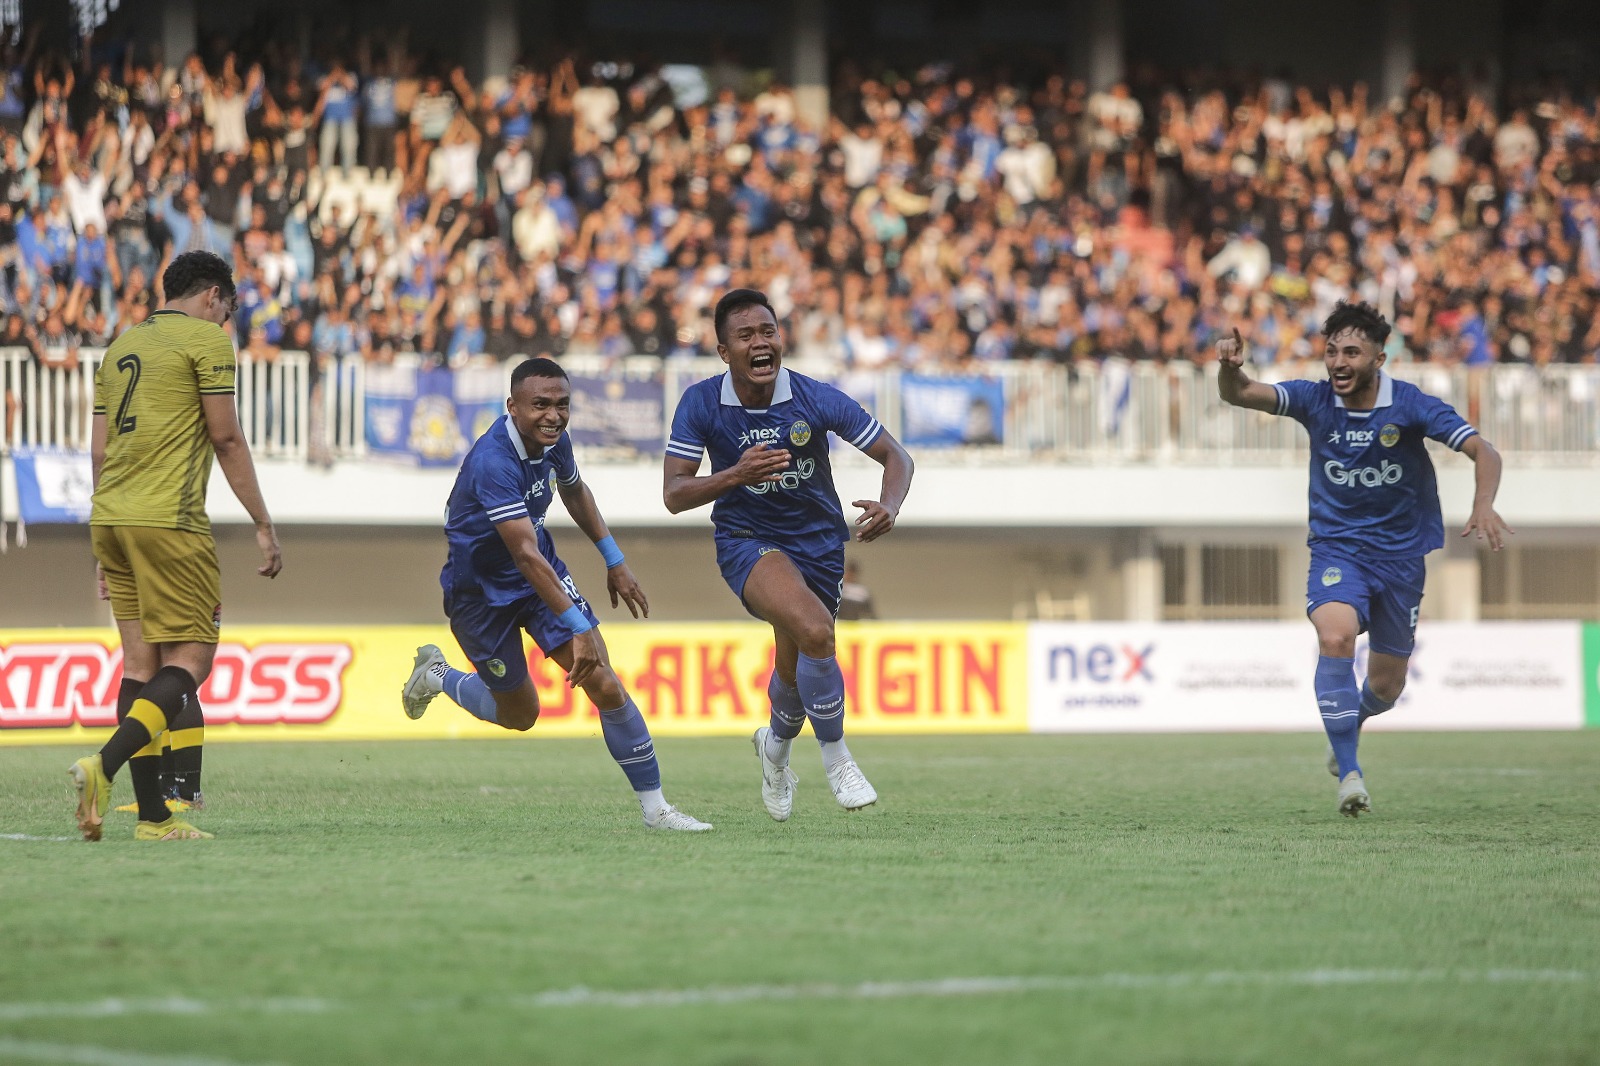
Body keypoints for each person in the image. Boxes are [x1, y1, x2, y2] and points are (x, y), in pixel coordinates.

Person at [1216, 301, 1510, 817]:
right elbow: (1241, 394)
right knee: (1334, 636)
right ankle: (1350, 775)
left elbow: (1485, 451)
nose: (1337, 361)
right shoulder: (1313, 399)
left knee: (1386, 686)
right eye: (1330, 351)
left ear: (1379, 357)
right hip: (1337, 549)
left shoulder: (1411, 405)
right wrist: (1228, 368)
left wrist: (1483, 503)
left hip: (1401, 558)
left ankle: (1348, 727)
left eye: (1351, 351)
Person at [400, 357, 711, 832]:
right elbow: (523, 551)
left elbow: (574, 490)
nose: (554, 416)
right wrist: (580, 626)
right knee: (521, 714)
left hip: (538, 579)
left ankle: (658, 810)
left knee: (604, 681)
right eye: (540, 405)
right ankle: (437, 675)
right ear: (513, 406)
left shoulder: (554, 441)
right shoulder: (492, 462)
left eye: (562, 405)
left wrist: (615, 560)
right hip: (479, 596)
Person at [663, 288, 914, 822]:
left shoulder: (814, 397)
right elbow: (674, 494)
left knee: (795, 660)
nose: (761, 343)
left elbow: (896, 456)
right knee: (817, 631)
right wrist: (737, 475)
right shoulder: (701, 403)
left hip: (821, 546)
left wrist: (890, 503)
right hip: (747, 541)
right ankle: (838, 758)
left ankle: (774, 750)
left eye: (768, 332)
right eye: (746, 335)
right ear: (723, 351)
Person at [69, 250, 283, 842]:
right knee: (191, 660)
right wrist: (262, 522)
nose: (226, 321)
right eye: (229, 309)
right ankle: (102, 766)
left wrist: (104, 543)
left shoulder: (119, 348)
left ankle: (154, 820)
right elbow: (226, 436)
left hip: (110, 517)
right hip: (171, 519)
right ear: (213, 295)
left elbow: (98, 453)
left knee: (138, 666)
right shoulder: (208, 342)